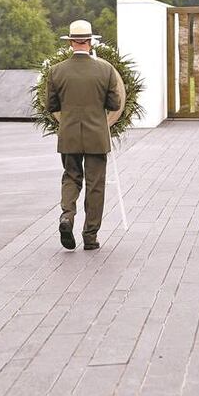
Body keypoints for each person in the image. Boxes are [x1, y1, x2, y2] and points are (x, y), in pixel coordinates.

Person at [46, 20, 123, 250]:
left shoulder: (56, 71)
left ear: (71, 43)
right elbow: (114, 102)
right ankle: (90, 237)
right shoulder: (106, 70)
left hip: (68, 134)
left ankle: (67, 216)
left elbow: (51, 105)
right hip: (96, 137)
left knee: (71, 177)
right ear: (90, 42)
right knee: (95, 185)